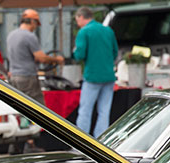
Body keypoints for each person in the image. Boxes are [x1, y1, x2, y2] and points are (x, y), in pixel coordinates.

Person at [73, 6, 118, 138]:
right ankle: (102, 139)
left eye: (77, 19)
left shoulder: (84, 32)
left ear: (81, 17)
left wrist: (74, 54)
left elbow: (80, 54)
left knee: (85, 110)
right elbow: (115, 52)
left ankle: (81, 140)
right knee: (104, 111)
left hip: (92, 76)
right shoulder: (108, 30)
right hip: (109, 76)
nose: (77, 23)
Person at [7, 9, 64, 105]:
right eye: (36, 24)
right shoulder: (29, 36)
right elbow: (41, 58)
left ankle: (22, 120)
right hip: (27, 78)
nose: (36, 27)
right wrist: (57, 60)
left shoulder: (11, 35)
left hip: (13, 77)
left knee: (20, 106)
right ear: (33, 21)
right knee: (39, 108)